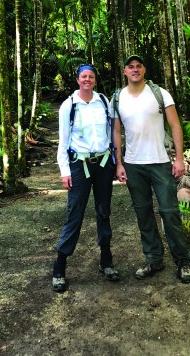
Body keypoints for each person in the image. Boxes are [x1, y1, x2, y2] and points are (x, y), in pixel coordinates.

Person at [113, 55, 190, 283]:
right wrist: (119, 163)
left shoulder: (160, 93)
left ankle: (183, 261)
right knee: (143, 213)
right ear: (125, 71)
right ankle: (153, 258)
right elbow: (117, 132)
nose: (135, 70)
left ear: (144, 69)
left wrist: (179, 159)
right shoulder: (118, 98)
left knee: (169, 212)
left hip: (159, 161)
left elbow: (175, 125)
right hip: (133, 164)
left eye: (139, 66)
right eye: (131, 67)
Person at [52, 64, 119, 292]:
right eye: (84, 76)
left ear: (95, 79)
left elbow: (112, 131)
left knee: (103, 211)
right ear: (78, 80)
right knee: (75, 214)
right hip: (79, 166)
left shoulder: (103, 101)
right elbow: (63, 140)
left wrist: (116, 161)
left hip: (102, 164)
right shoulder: (69, 105)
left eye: (91, 76)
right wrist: (64, 171)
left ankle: (106, 261)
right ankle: (59, 267)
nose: (87, 79)